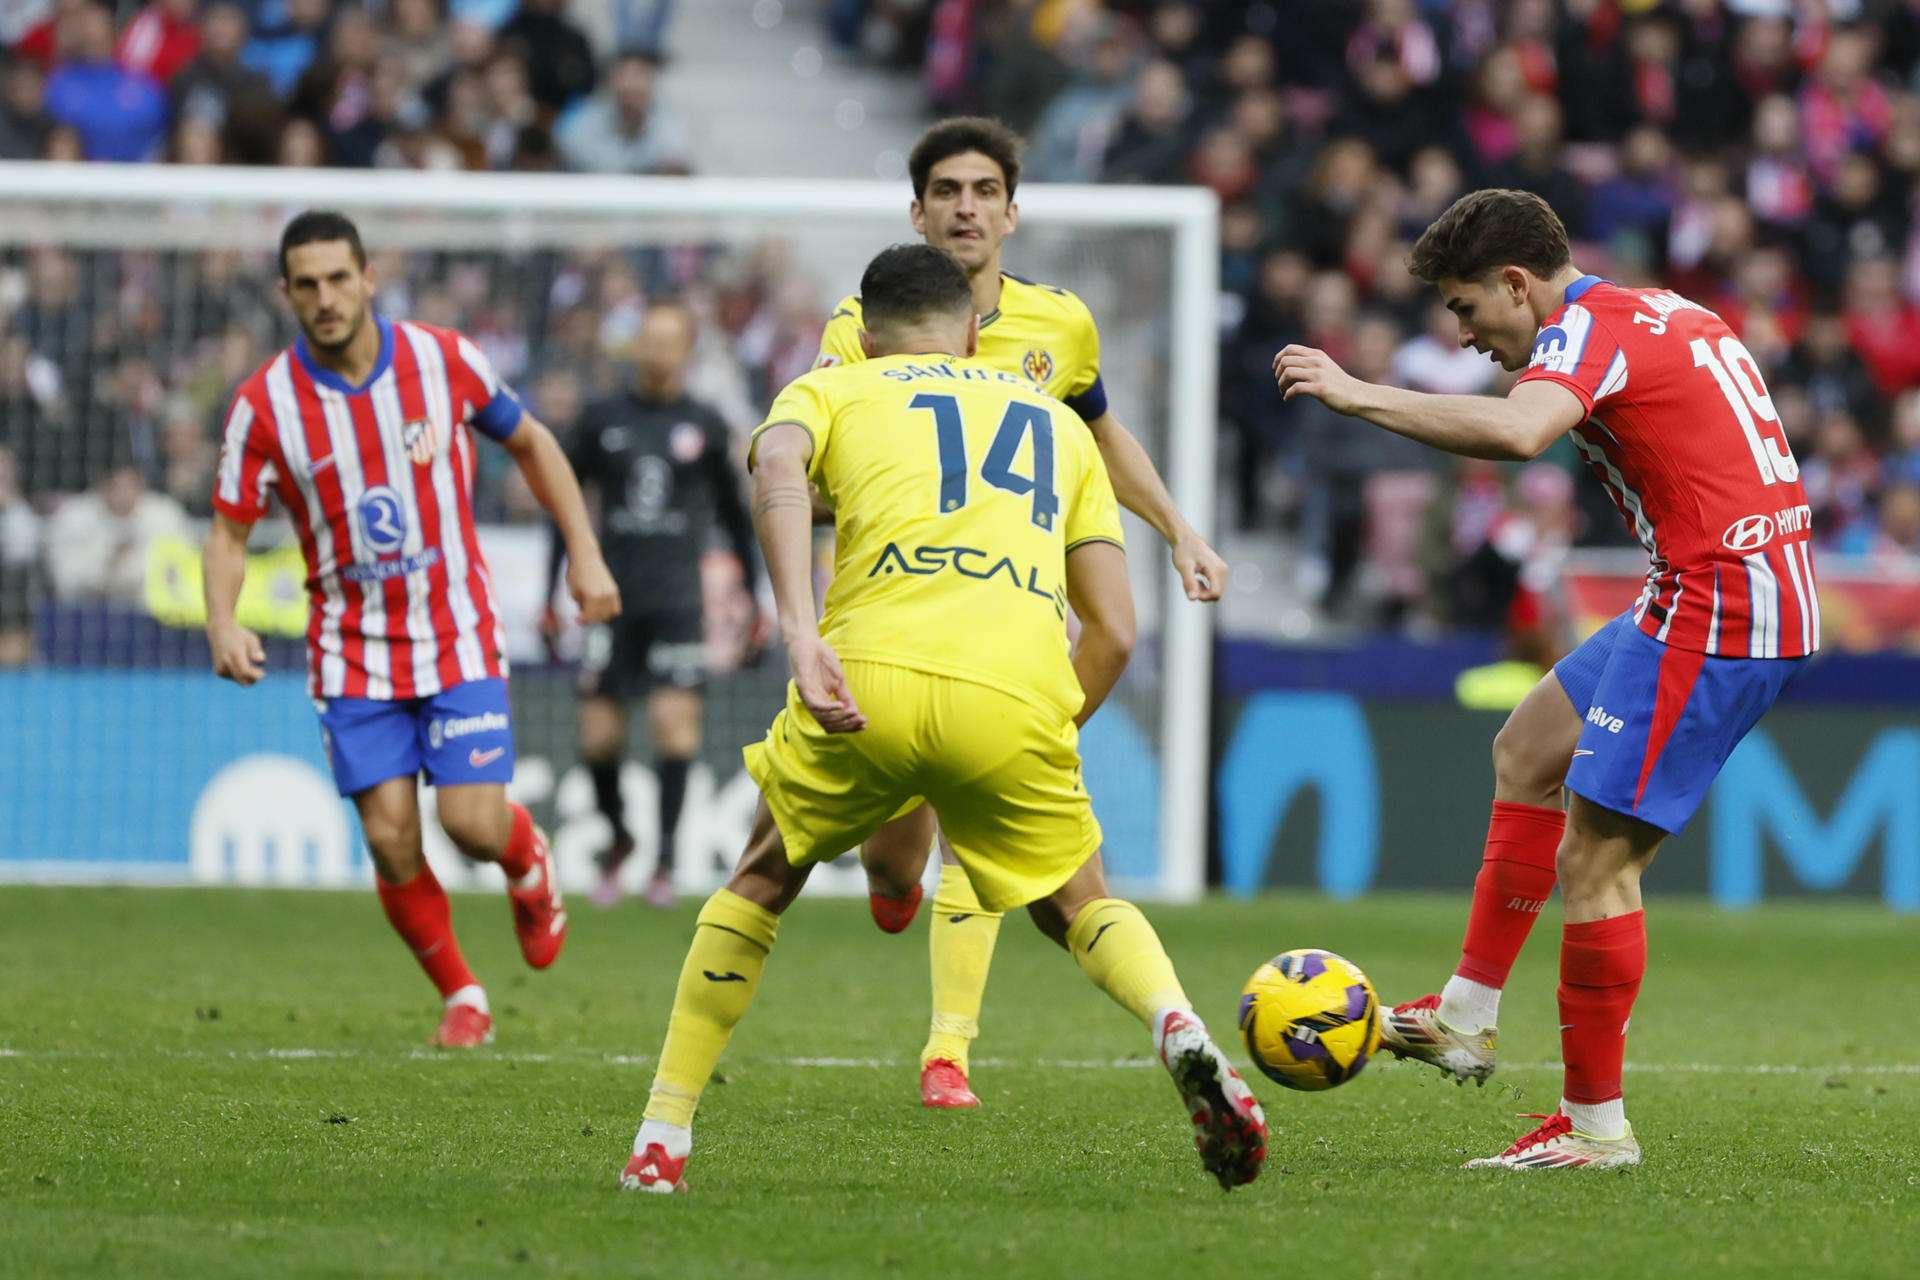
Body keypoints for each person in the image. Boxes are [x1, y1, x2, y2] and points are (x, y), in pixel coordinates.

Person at [618, 243, 1265, 1195]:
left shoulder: (832, 389)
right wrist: (1039, 723)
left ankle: (662, 1137)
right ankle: (1175, 1022)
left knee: (761, 879)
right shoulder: (1056, 423)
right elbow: (1112, 628)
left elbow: (779, 472)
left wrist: (800, 629)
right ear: (974, 330)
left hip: (866, 681)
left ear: (865, 334)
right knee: (1080, 899)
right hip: (1013, 686)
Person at [1274, 189, 1817, 1169]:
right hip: (1703, 585)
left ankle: (1596, 1127)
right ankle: (1466, 1014)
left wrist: (1358, 393)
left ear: (1518, 282)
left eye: (1467, 307)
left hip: (1724, 603)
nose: (1465, 332)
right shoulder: (1662, 307)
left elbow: (1521, 431)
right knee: (1527, 745)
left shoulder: (1586, 330)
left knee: (1598, 865)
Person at [815, 115, 1230, 1111]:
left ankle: (946, 1049)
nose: (966, 207)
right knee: (893, 865)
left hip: (1015, 611)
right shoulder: (858, 325)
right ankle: (903, 873)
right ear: (917, 211)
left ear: (1011, 209)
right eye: (946, 191)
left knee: (1100, 659)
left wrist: (1178, 526)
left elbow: (1099, 434)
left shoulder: (1060, 326)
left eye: (983, 191)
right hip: (904, 611)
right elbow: (822, 464)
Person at [204, 210, 621, 1048]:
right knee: (393, 841)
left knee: (471, 825)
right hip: (350, 652)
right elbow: (227, 530)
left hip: (456, 631)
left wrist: (585, 554)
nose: (325, 298)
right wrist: (223, 619)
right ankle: (463, 995)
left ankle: (527, 859)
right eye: (307, 285)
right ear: (286, 293)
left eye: (338, 278)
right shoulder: (264, 406)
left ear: (367, 277)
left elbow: (532, 444)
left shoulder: (443, 359)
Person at [543, 299, 757, 909]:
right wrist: (552, 589)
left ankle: (663, 861)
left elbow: (733, 515)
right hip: (610, 599)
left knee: (673, 728)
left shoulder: (707, 425)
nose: (658, 351)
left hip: (677, 599)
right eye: (649, 340)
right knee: (598, 739)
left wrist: (750, 587)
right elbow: (564, 508)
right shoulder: (599, 419)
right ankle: (619, 839)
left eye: (670, 341)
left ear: (687, 352)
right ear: (636, 346)